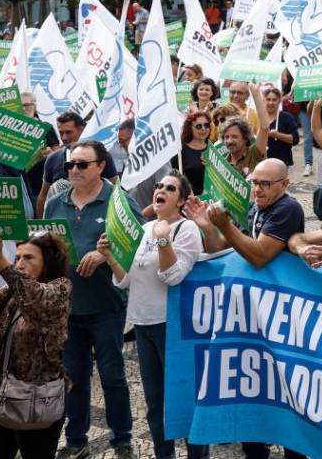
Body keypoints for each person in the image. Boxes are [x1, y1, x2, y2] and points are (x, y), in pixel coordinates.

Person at [99, 171, 207, 459]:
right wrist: (111, 258)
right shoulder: (145, 229)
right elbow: (126, 281)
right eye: (159, 186)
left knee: (183, 400)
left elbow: (173, 276)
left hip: (172, 326)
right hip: (143, 323)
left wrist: (163, 241)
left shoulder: (186, 229)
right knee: (155, 403)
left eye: (170, 188)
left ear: (182, 200)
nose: (160, 190)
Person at [41, 141, 137, 458]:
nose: (75, 170)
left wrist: (105, 255)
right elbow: (44, 250)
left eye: (82, 164)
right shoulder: (56, 203)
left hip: (106, 306)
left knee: (112, 375)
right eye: (71, 165)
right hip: (67, 309)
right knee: (74, 378)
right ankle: (76, 440)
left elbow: (139, 241)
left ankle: (122, 438)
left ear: (100, 166)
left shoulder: (117, 201)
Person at [0, 233, 72, 459]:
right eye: (18, 257)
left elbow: (36, 301)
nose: (20, 263)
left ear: (48, 262)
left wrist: (0, 261)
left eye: (29, 258)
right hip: (3, 396)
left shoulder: (60, 288)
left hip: (37, 400)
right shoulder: (12, 290)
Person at [262, 85, 299, 167]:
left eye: (274, 100)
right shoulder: (258, 117)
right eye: (268, 99)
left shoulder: (286, 117)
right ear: (263, 101)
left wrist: (277, 135)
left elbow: (295, 139)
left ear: (279, 101)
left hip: (281, 161)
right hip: (261, 161)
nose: (271, 103)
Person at [179, 110, 212, 195]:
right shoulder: (180, 149)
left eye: (206, 125)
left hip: (210, 201)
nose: (203, 129)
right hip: (189, 201)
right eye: (198, 126)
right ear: (190, 128)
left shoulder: (214, 149)